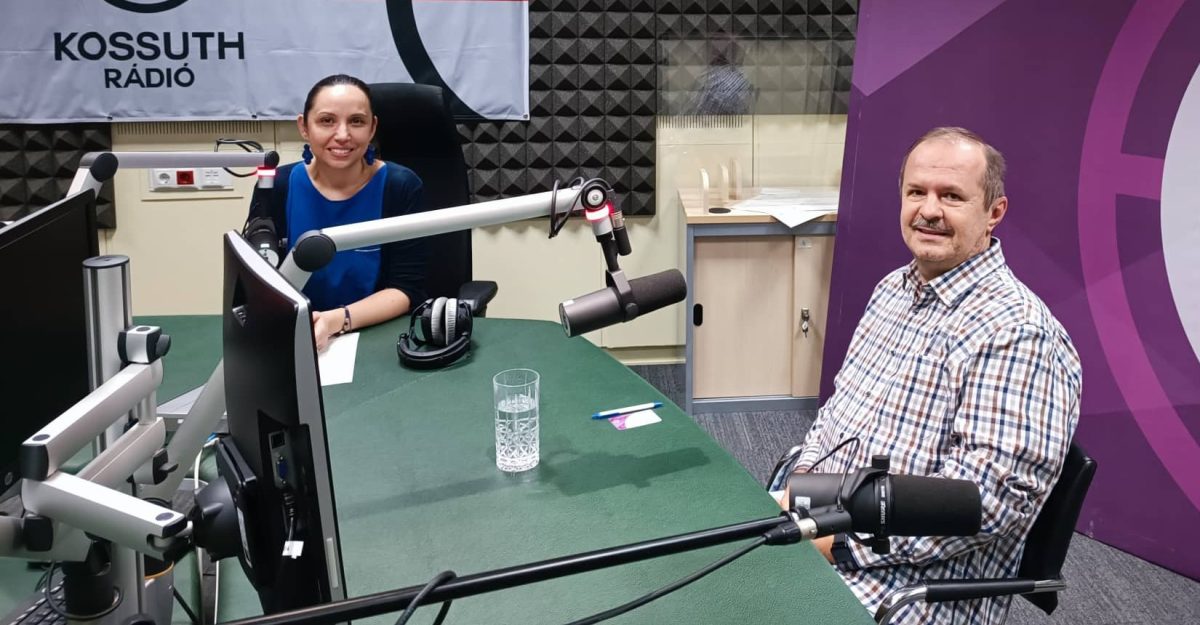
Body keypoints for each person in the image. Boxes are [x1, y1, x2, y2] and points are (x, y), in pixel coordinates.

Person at [778, 127, 1082, 624]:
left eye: (952, 196)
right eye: (916, 192)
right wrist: (801, 486)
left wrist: (838, 545)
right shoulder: (891, 291)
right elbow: (838, 414)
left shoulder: (1019, 334)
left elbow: (988, 506)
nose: (929, 210)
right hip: (824, 530)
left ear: (994, 213)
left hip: (905, 590)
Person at [248, 74, 428, 351]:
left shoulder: (400, 186)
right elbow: (258, 279)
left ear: (372, 128)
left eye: (356, 121)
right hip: (296, 337)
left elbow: (406, 289)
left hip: (378, 338)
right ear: (304, 127)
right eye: (326, 121)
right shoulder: (276, 185)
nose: (342, 135)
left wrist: (334, 321)